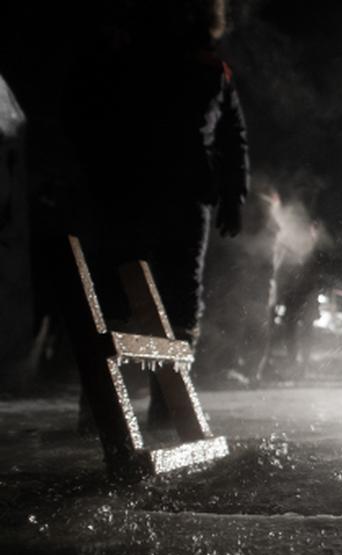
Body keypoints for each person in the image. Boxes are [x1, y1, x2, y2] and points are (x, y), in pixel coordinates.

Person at [69, 1, 249, 426]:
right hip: (133, 191)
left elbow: (231, 136)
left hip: (182, 196)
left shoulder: (212, 70)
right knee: (119, 290)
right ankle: (101, 404)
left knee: (177, 297)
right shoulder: (129, 57)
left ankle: (165, 406)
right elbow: (94, 116)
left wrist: (234, 195)